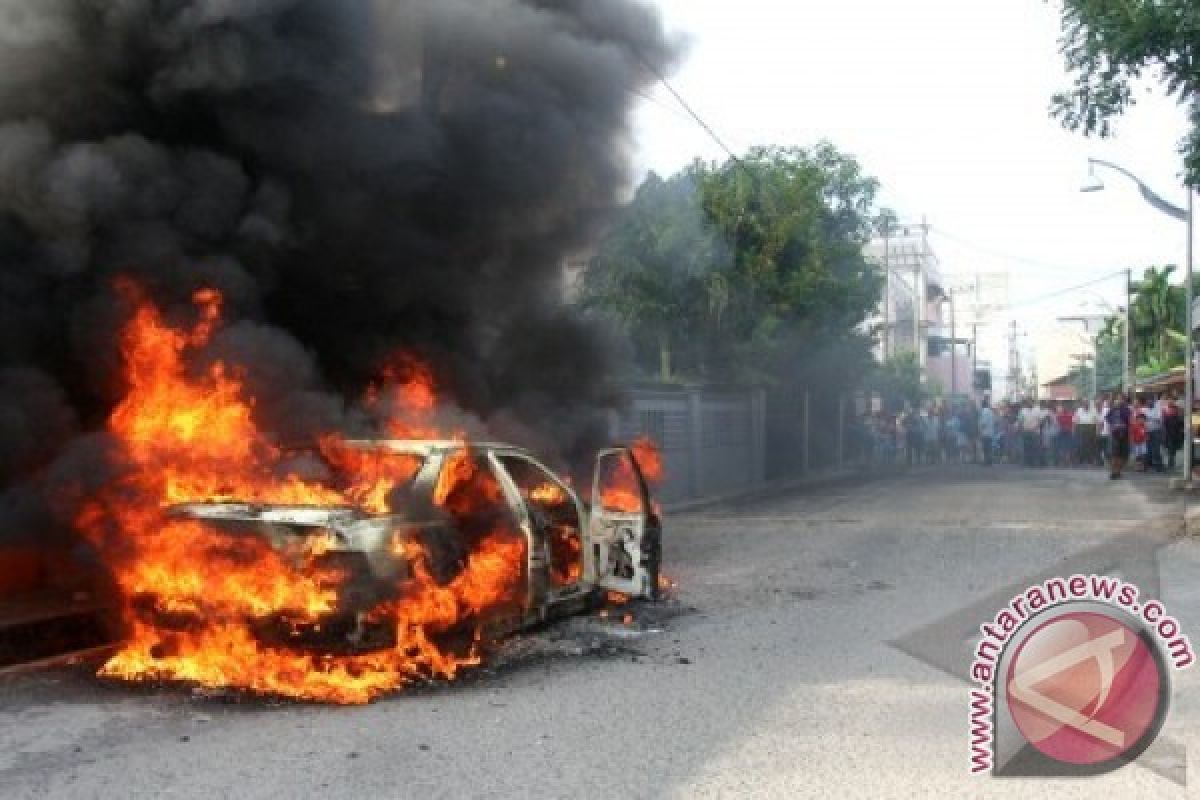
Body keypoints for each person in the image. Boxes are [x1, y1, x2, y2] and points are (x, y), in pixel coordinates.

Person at [1106, 393, 1132, 479]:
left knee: (1122, 454)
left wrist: (1123, 425)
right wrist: (1114, 425)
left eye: (1121, 399)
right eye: (1118, 398)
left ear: (1124, 400)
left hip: (1124, 434)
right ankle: (1113, 472)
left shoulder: (1127, 410)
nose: (1119, 400)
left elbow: (1129, 421)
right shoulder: (1112, 409)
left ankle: (1118, 471)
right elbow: (1108, 418)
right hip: (1115, 434)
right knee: (1114, 454)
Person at [1074, 400, 1100, 466]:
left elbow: (1097, 421)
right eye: (1084, 403)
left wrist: (1097, 430)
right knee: (1081, 445)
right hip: (1081, 428)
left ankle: (1091, 460)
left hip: (1091, 428)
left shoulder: (1093, 410)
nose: (1085, 405)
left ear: (1088, 404)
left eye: (1086, 403)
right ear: (1082, 404)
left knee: (1091, 445)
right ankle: (1081, 460)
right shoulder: (1079, 410)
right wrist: (1075, 429)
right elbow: (1075, 420)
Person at [1018, 398, 1041, 467]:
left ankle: (1034, 462)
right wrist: (1021, 429)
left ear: (1033, 402)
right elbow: (1020, 421)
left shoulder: (1037, 410)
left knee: (1035, 447)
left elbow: (1040, 421)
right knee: (1026, 447)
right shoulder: (1023, 411)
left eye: (1030, 402)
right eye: (1028, 402)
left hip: (1035, 431)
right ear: (1027, 403)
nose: (1029, 403)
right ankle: (1027, 462)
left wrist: (1035, 427)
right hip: (1026, 431)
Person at [1164, 394, 1185, 470]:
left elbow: (1181, 420)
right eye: (1169, 400)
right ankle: (1171, 461)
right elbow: (1163, 421)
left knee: (1174, 447)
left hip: (1176, 431)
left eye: (1171, 400)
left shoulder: (1178, 409)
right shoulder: (1165, 409)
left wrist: (1181, 428)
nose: (1170, 401)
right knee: (1170, 447)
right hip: (1168, 431)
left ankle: (1172, 461)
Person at [1145, 393, 1165, 472]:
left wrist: (1149, 417)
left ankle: (1159, 466)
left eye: (1151, 400)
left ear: (1153, 401)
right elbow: (1142, 419)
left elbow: (1159, 418)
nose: (1149, 402)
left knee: (1156, 449)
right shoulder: (1144, 409)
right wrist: (1151, 418)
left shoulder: (1158, 408)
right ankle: (1149, 464)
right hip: (1147, 431)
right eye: (1148, 401)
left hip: (1156, 431)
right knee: (1148, 449)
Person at [1055, 401, 1075, 467]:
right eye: (1064, 407)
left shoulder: (1071, 414)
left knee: (1068, 448)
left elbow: (1073, 423)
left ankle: (1068, 462)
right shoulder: (1060, 415)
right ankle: (1062, 461)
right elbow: (1058, 423)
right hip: (1062, 432)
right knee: (1062, 447)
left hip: (1068, 432)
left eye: (1066, 407)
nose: (1065, 408)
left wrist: (1072, 430)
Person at [979, 398, 996, 466]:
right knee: (989, 447)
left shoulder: (984, 412)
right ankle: (989, 460)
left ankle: (987, 461)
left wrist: (980, 430)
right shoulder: (990, 412)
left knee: (985, 447)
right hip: (990, 432)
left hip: (985, 432)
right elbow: (994, 421)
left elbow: (983, 423)